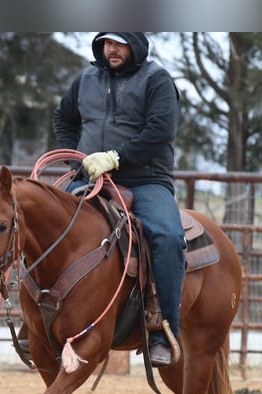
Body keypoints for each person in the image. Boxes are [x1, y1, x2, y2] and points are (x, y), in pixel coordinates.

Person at [53, 32, 186, 367]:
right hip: (90, 177)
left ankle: (163, 330)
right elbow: (63, 119)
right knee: (46, 225)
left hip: (145, 179)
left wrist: (116, 157)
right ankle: (35, 321)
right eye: (107, 42)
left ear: (135, 44)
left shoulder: (157, 80)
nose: (111, 49)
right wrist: (77, 161)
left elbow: (161, 131)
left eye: (119, 42)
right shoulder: (86, 78)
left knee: (168, 237)